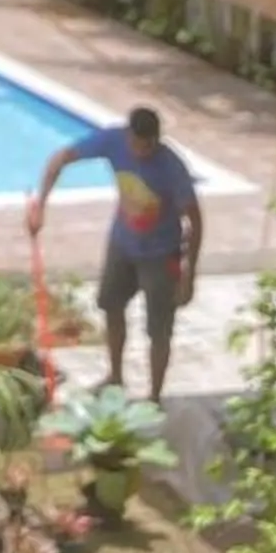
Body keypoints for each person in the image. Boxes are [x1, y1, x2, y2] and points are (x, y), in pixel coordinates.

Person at [27, 104, 201, 397]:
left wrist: (188, 274)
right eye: (137, 144)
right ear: (128, 134)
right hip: (123, 244)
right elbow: (60, 159)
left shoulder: (171, 167)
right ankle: (115, 377)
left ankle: (154, 396)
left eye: (148, 146)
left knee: (158, 330)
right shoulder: (113, 141)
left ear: (157, 140)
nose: (141, 151)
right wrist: (39, 205)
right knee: (111, 305)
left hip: (161, 255)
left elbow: (195, 221)